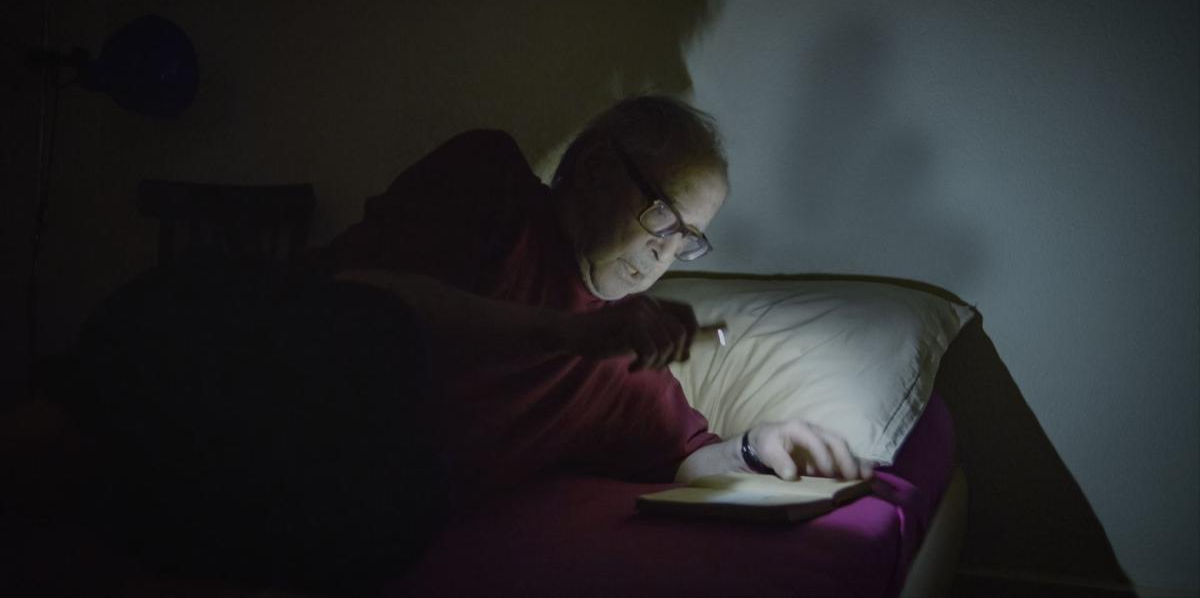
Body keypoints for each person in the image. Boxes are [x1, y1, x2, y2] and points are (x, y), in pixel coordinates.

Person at [76, 95, 872, 597]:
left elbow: (691, 456)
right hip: (230, 354)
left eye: (691, 238)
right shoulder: (492, 181)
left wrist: (763, 442)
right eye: (664, 214)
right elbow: (367, 306)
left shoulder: (624, 363)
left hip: (336, 497)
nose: (668, 250)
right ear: (593, 168)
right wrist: (570, 332)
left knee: (397, 512)